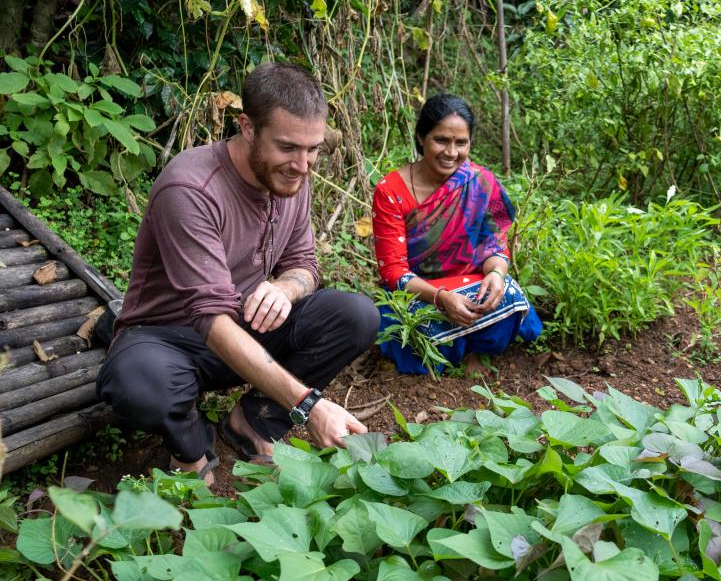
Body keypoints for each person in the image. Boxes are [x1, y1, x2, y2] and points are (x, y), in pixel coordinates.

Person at [95, 62, 379, 486]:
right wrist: (309, 405)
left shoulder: (292, 177)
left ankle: (256, 421)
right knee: (138, 384)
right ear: (247, 127)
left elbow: (305, 263)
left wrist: (286, 287)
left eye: (312, 149)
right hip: (174, 338)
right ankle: (190, 448)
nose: (303, 165)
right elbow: (208, 319)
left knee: (356, 315)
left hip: (245, 326)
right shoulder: (191, 189)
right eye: (287, 147)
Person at [371, 94, 541, 374]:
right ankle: (455, 350)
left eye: (460, 143)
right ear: (421, 138)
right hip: (418, 294)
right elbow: (394, 272)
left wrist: (496, 274)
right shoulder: (391, 191)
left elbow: (494, 244)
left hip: (469, 286)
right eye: (441, 140)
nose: (451, 152)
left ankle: (474, 350)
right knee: (398, 326)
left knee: (508, 293)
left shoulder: (481, 181)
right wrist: (441, 298)